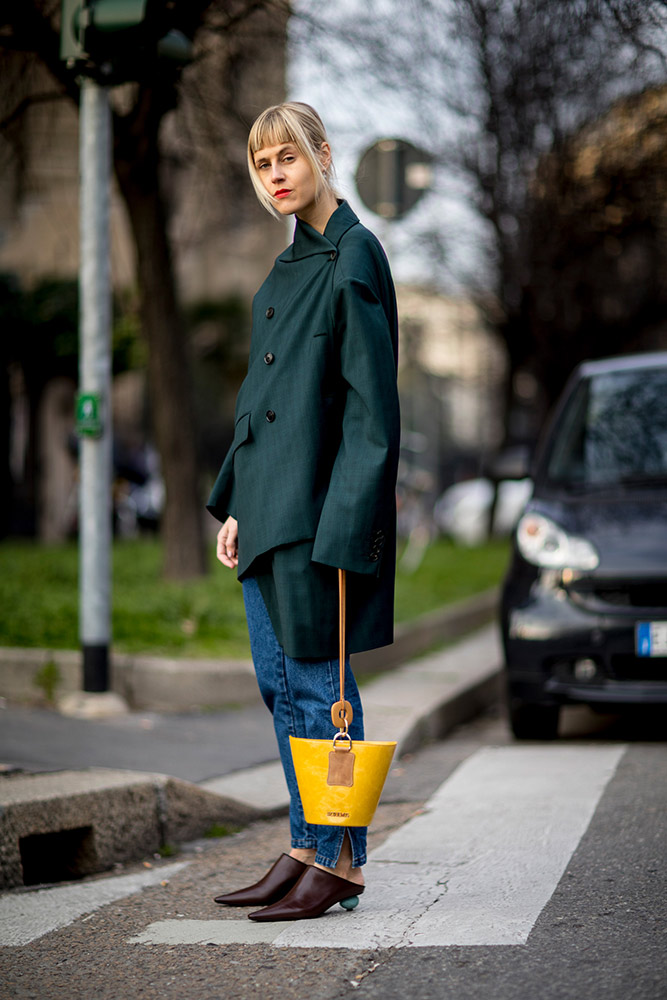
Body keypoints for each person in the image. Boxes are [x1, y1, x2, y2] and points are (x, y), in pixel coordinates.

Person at [207, 102, 400, 922]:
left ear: (323, 154)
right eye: (262, 165)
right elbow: (262, 399)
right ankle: (304, 845)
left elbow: (370, 415)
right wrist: (233, 503)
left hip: (318, 514)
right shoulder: (290, 266)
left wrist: (347, 530)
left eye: (288, 157)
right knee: (281, 687)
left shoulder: (353, 256)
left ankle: (342, 859)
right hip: (267, 510)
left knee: (322, 690)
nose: (276, 175)